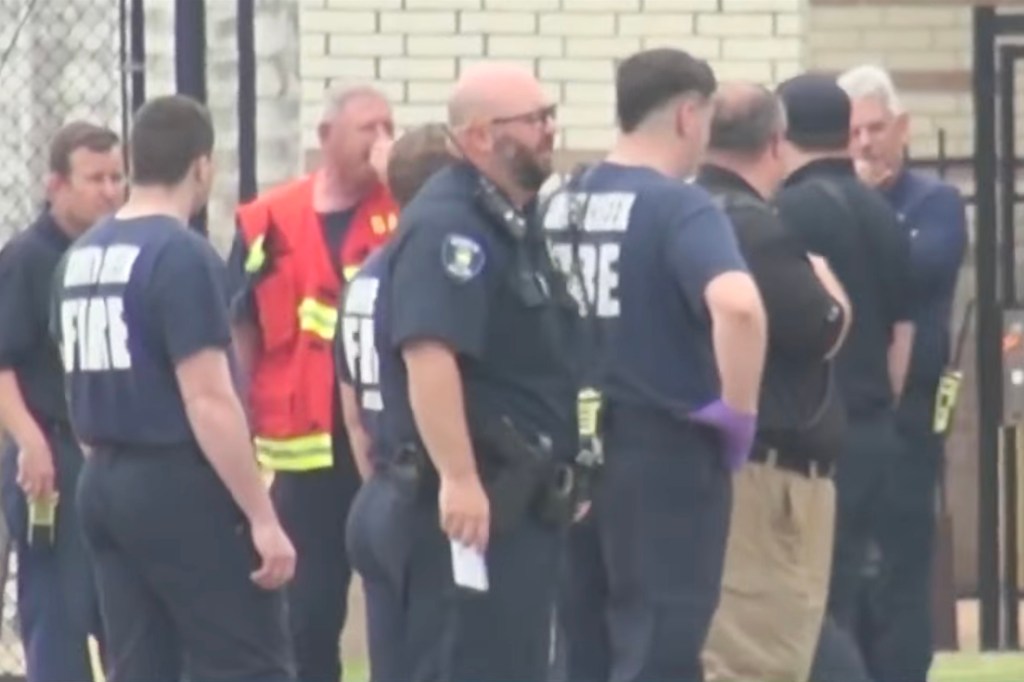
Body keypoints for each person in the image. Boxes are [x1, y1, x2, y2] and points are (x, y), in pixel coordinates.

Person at [51, 94, 296, 682]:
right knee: (246, 659)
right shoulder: (182, 255)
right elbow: (208, 399)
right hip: (175, 478)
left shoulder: (80, 256)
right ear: (202, 165)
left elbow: (76, 380)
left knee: (141, 662)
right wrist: (260, 515)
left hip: (103, 476)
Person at [551, 48, 768, 682]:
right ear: (687, 116)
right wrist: (739, 413)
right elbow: (739, 306)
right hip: (664, 448)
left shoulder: (561, 199)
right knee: (660, 638)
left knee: (581, 637)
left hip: (570, 447)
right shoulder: (681, 206)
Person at [373, 62, 578, 682]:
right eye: (535, 120)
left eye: (550, 115)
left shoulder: (511, 220)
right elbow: (429, 353)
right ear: (482, 136)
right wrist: (459, 478)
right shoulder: (450, 224)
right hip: (478, 501)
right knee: (467, 663)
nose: (549, 131)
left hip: (519, 501)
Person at [228, 83, 398, 682]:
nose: (383, 142)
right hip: (300, 449)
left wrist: (400, 180)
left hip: (383, 445)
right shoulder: (265, 219)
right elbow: (242, 326)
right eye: (368, 129)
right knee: (307, 616)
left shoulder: (406, 210)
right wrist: (239, 427)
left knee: (400, 608)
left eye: (389, 128)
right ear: (326, 138)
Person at [696, 83, 852, 682]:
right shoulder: (756, 228)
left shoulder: (684, 214)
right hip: (769, 480)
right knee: (759, 653)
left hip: (708, 471)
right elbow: (823, 326)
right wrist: (824, 279)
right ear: (775, 142)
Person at [771, 74, 915, 682]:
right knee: (852, 587)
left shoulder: (782, 214)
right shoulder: (882, 213)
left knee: (806, 605)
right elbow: (901, 336)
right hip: (874, 426)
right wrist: (881, 401)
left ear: (783, 133)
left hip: (812, 436)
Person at [838, 64, 967, 682]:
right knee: (844, 576)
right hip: (846, 415)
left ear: (903, 128)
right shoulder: (837, 200)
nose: (865, 144)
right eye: (853, 132)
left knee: (900, 572)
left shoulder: (934, 201)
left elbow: (924, 270)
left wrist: (858, 216)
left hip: (910, 419)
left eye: (876, 128)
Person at [0, 121, 124, 682]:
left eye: (117, 177)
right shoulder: (29, 258)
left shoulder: (117, 253)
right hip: (50, 452)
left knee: (118, 605)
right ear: (56, 185)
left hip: (111, 453)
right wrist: (31, 443)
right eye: (94, 178)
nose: (109, 190)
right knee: (58, 607)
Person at [337, 122, 454, 682]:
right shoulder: (426, 271)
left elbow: (352, 401)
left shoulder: (366, 273)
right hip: (424, 498)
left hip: (380, 489)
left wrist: (380, 481)